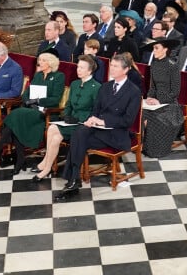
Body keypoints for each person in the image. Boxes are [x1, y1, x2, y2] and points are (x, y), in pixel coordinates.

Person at [54, 53, 142, 201]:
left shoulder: (133, 91)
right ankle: (74, 180)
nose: (111, 69)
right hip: (99, 130)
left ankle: (73, 180)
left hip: (117, 134)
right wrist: (92, 119)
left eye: (115, 66)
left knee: (79, 137)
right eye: (111, 65)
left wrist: (104, 121)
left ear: (126, 69)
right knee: (79, 133)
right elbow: (96, 110)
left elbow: (127, 121)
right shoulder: (105, 87)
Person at [0, 49, 65, 173]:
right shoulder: (38, 75)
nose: (39, 62)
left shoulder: (58, 76)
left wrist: (37, 101)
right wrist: (28, 101)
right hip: (30, 109)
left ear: (50, 63)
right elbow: (25, 94)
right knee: (17, 121)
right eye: (39, 60)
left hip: (46, 112)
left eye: (43, 60)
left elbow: (55, 99)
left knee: (16, 114)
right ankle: (20, 159)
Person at [31, 55, 101, 182]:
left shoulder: (96, 87)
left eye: (81, 68)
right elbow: (68, 105)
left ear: (90, 71)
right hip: (71, 122)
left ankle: (46, 167)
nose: (78, 70)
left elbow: (96, 111)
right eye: (78, 67)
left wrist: (80, 119)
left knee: (53, 130)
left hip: (83, 125)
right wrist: (66, 116)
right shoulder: (75, 84)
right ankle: (47, 165)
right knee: (54, 132)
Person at [141, 38, 184, 158]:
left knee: (156, 117)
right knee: (141, 113)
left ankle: (155, 149)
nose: (153, 51)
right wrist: (149, 97)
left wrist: (160, 101)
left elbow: (176, 91)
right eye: (153, 48)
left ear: (165, 49)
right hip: (155, 101)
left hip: (170, 104)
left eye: (156, 48)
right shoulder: (154, 64)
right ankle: (144, 145)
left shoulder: (173, 65)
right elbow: (153, 86)